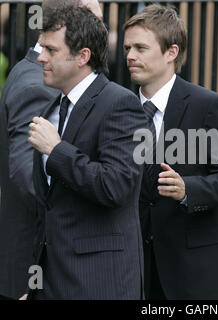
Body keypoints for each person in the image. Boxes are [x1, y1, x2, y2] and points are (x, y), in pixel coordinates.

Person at [123, 4, 218, 300]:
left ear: (171, 52)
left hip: (199, 277)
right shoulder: (120, 110)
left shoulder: (209, 106)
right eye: (128, 47)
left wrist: (187, 190)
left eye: (141, 48)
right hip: (138, 275)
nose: (130, 56)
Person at [27, 5, 147, 299]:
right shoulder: (53, 107)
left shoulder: (121, 104)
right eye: (42, 48)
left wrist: (56, 150)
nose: (41, 57)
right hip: (53, 282)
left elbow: (115, 186)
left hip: (98, 284)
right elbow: (50, 207)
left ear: (83, 56)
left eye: (51, 50)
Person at [0, 0, 102, 300]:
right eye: (93, 20)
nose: (103, 29)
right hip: (38, 270)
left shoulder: (42, 75)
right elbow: (27, 174)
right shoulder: (40, 84)